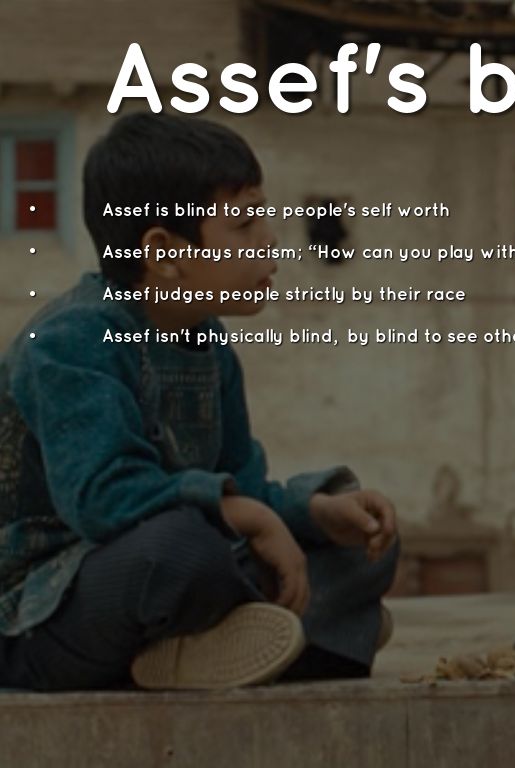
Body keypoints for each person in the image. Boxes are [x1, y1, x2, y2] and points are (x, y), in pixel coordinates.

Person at [0, 113, 399, 691]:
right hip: (44, 611)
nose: (270, 240)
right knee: (181, 552)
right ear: (164, 252)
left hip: (173, 585)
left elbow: (242, 484)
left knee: (362, 544)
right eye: (244, 223)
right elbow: (104, 498)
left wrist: (313, 513)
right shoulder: (69, 342)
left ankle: (230, 642)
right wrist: (248, 516)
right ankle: (310, 632)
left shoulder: (208, 344)